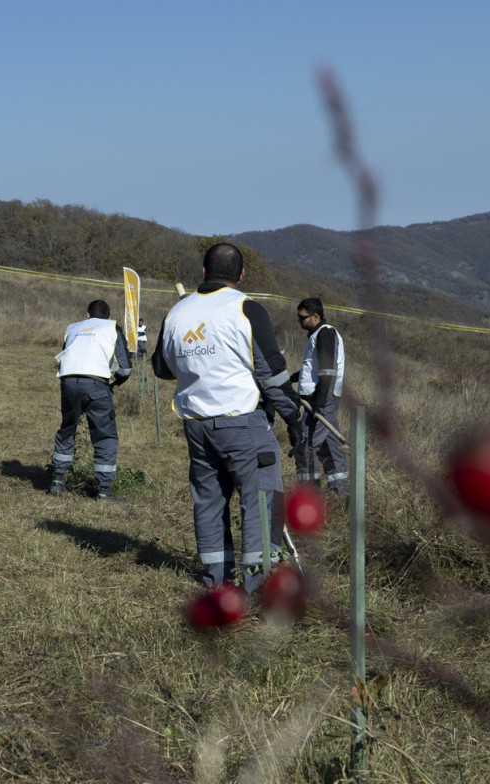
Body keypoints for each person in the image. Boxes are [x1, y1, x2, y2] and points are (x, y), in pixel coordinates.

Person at [152, 242, 300, 589]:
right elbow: (272, 374)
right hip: (242, 424)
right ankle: (257, 585)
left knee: (209, 503)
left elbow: (161, 367)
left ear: (203, 272)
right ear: (242, 275)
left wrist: (198, 362)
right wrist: (293, 417)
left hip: (196, 427)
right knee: (261, 499)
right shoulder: (246, 308)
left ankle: (217, 583)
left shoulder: (177, 313)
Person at [50, 299, 132, 501]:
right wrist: (112, 383)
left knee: (67, 427)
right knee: (104, 434)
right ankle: (104, 489)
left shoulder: (73, 328)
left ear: (87, 315)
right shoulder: (113, 328)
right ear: (109, 317)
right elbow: (125, 368)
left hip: (68, 381)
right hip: (96, 384)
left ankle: (58, 481)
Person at [294, 297, 349, 497]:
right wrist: (292, 378)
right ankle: (341, 495)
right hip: (317, 397)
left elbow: (328, 371)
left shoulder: (326, 333)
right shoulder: (316, 334)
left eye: (303, 318)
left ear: (316, 316)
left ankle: (309, 498)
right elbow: (313, 369)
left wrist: (320, 405)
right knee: (331, 448)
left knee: (307, 446)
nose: (300, 322)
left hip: (321, 398)